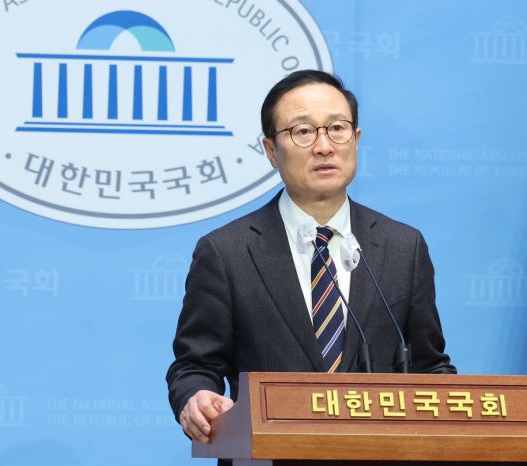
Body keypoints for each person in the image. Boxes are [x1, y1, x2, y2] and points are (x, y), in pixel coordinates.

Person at [166, 70, 456, 446]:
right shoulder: (227, 251)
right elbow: (195, 365)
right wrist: (196, 397)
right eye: (303, 131)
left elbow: (429, 365)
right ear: (271, 150)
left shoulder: (403, 246)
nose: (323, 146)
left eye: (337, 128)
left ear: (356, 139)